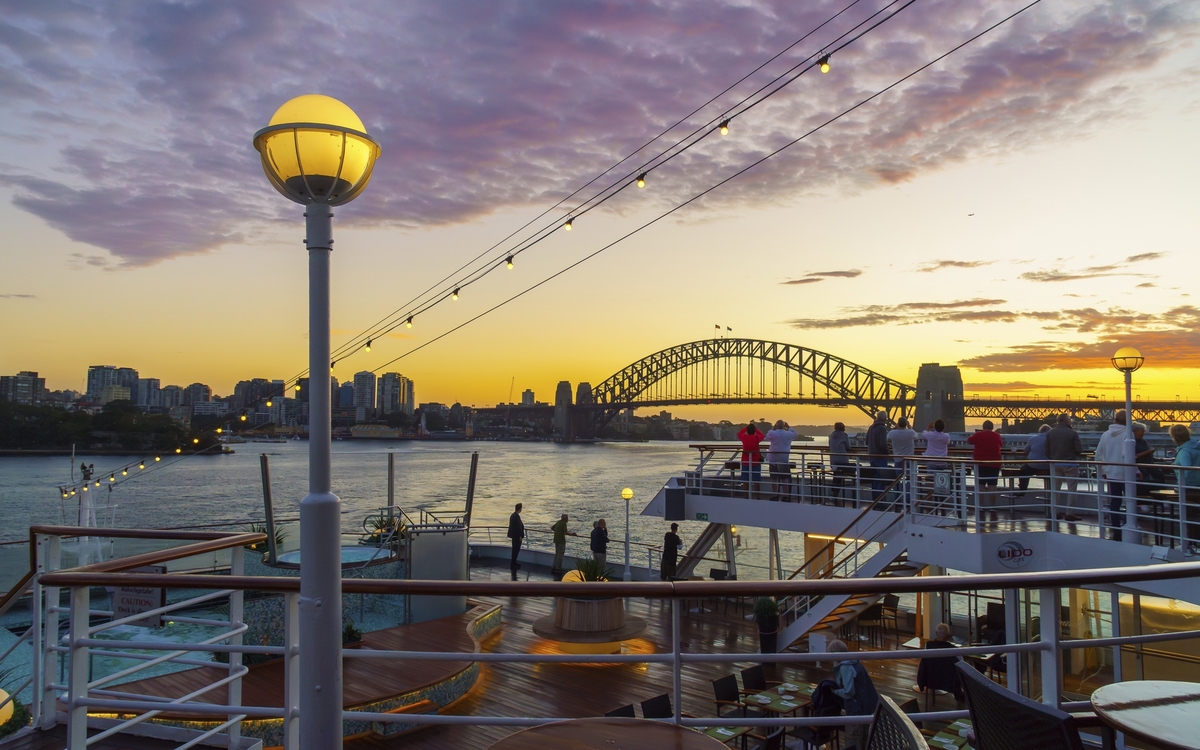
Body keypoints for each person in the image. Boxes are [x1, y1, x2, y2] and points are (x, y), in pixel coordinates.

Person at [827, 638, 879, 749]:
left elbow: (849, 692)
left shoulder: (846, 667)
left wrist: (835, 691)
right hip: (867, 707)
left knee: (853, 740)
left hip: (856, 709)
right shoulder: (855, 661)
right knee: (864, 739)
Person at [1094, 410, 1130, 541]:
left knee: (1114, 502)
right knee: (1130, 501)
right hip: (1126, 473)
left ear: (1115, 419)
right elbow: (1128, 455)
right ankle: (1128, 526)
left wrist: (1103, 471)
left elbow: (1098, 454)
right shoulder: (1128, 433)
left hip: (1111, 473)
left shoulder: (1105, 434)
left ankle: (1116, 529)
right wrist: (1136, 471)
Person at [1046, 413, 1084, 521]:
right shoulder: (1072, 433)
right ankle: (1069, 513)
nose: (1071, 421)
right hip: (1070, 464)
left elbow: (1046, 450)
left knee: (1055, 490)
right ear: (1065, 421)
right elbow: (1079, 450)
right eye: (1069, 419)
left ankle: (1054, 512)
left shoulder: (1050, 433)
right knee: (1071, 489)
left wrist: (1053, 458)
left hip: (1055, 464)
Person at [1170, 424, 1200, 557]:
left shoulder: (1184, 452)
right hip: (1198, 486)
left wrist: (1180, 484)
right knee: (1195, 514)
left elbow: (1186, 469)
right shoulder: (1195, 447)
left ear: (1174, 437)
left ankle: (1190, 543)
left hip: (1188, 488)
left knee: (1188, 515)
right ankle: (1194, 541)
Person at [913, 622, 963, 700]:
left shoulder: (928, 645)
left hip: (930, 679)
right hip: (948, 681)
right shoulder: (954, 650)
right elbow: (961, 664)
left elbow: (924, 663)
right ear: (948, 635)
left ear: (936, 633)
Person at [967, 421, 1004, 511]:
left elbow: (969, 441)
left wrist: (975, 434)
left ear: (983, 427)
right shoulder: (997, 435)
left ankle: (980, 506)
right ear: (992, 427)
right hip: (994, 463)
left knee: (981, 485)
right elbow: (1001, 444)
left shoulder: (978, 435)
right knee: (992, 485)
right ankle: (992, 506)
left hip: (980, 463)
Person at [765, 420, 798, 500]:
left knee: (774, 478)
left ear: (776, 425)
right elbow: (795, 434)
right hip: (783, 458)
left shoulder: (773, 433)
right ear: (784, 426)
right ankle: (785, 495)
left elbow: (767, 435)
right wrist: (789, 427)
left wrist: (773, 428)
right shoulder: (788, 434)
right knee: (784, 478)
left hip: (773, 458)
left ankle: (775, 495)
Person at [1017, 424, 1051, 498]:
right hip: (1048, 465)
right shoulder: (1053, 439)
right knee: (1053, 473)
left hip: (1034, 464)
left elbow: (1025, 451)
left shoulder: (1033, 438)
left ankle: (1022, 491)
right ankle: (1051, 492)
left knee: (1023, 471)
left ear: (1040, 431)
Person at [865, 411, 891, 500]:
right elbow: (882, 444)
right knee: (881, 478)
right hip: (880, 457)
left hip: (872, 456)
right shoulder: (882, 428)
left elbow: (867, 442)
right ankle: (880, 499)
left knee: (875, 478)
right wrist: (887, 452)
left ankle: (875, 499)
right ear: (885, 419)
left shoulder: (871, 427)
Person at [737, 423, 765, 491]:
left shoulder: (744, 437)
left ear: (747, 430)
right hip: (756, 461)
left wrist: (745, 428)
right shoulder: (757, 438)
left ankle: (746, 495)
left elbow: (739, 434)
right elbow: (762, 435)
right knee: (756, 480)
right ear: (754, 431)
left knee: (745, 480)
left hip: (745, 461)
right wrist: (756, 429)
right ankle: (757, 495)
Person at [828, 422, 853, 497]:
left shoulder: (831, 435)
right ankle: (835, 493)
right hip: (842, 459)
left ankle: (833, 493)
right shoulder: (844, 435)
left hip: (833, 460)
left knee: (836, 475)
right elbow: (848, 447)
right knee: (840, 476)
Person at [506, 503, 525, 581]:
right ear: (520, 508)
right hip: (516, 536)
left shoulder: (513, 515)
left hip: (514, 536)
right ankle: (513, 564)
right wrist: (520, 536)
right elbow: (518, 527)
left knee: (515, 549)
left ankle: (514, 562)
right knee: (516, 549)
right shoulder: (516, 516)